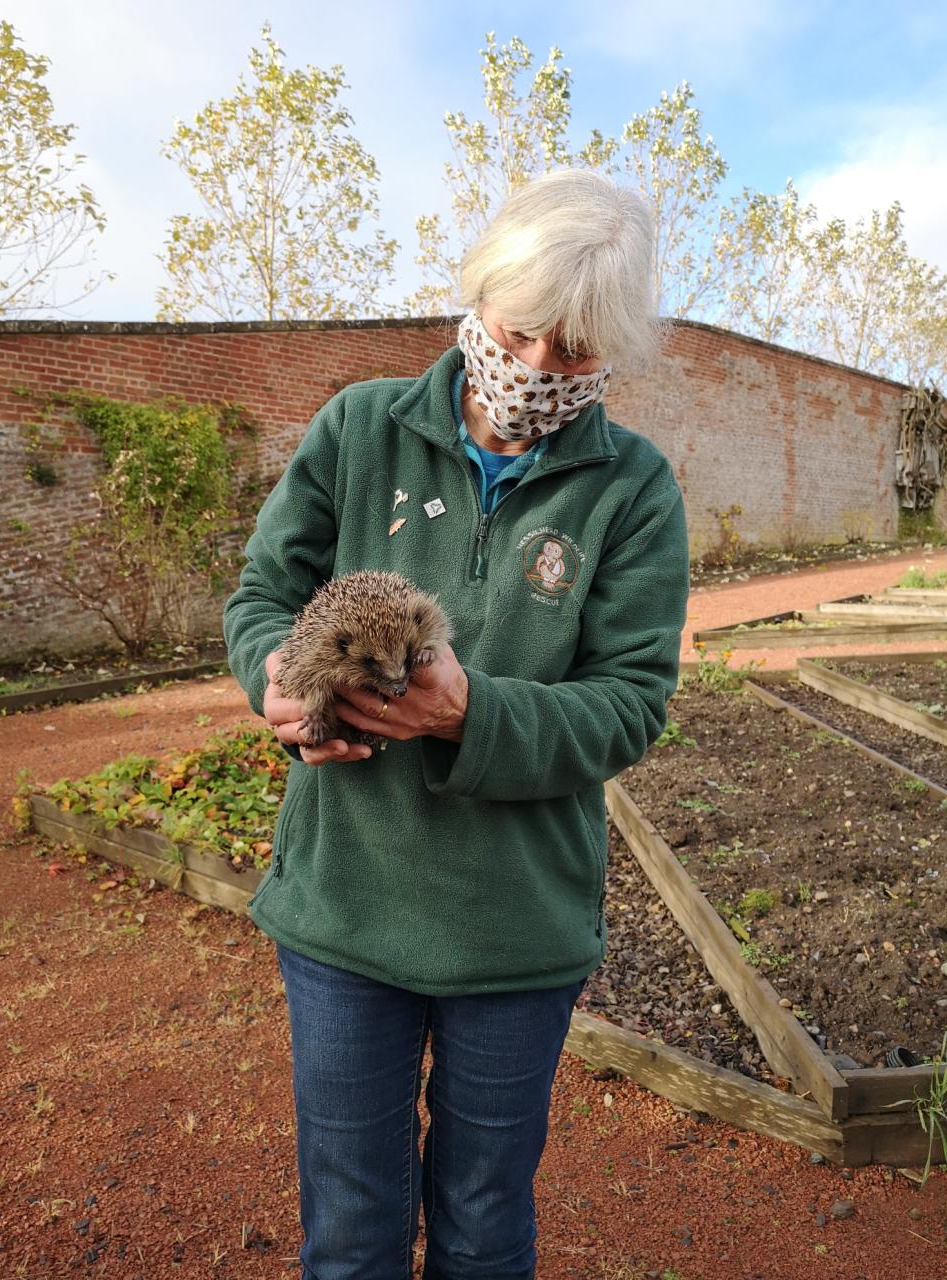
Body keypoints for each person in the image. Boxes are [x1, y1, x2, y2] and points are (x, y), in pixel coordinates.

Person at [223, 167, 690, 1280]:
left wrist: (467, 711)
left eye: (573, 352)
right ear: (480, 300)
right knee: (351, 1225)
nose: (535, 368)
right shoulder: (358, 428)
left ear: (612, 352)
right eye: (521, 330)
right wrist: (276, 679)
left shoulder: (633, 489)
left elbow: (629, 706)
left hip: (516, 924)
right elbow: (260, 599)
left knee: (484, 1226)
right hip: (346, 905)